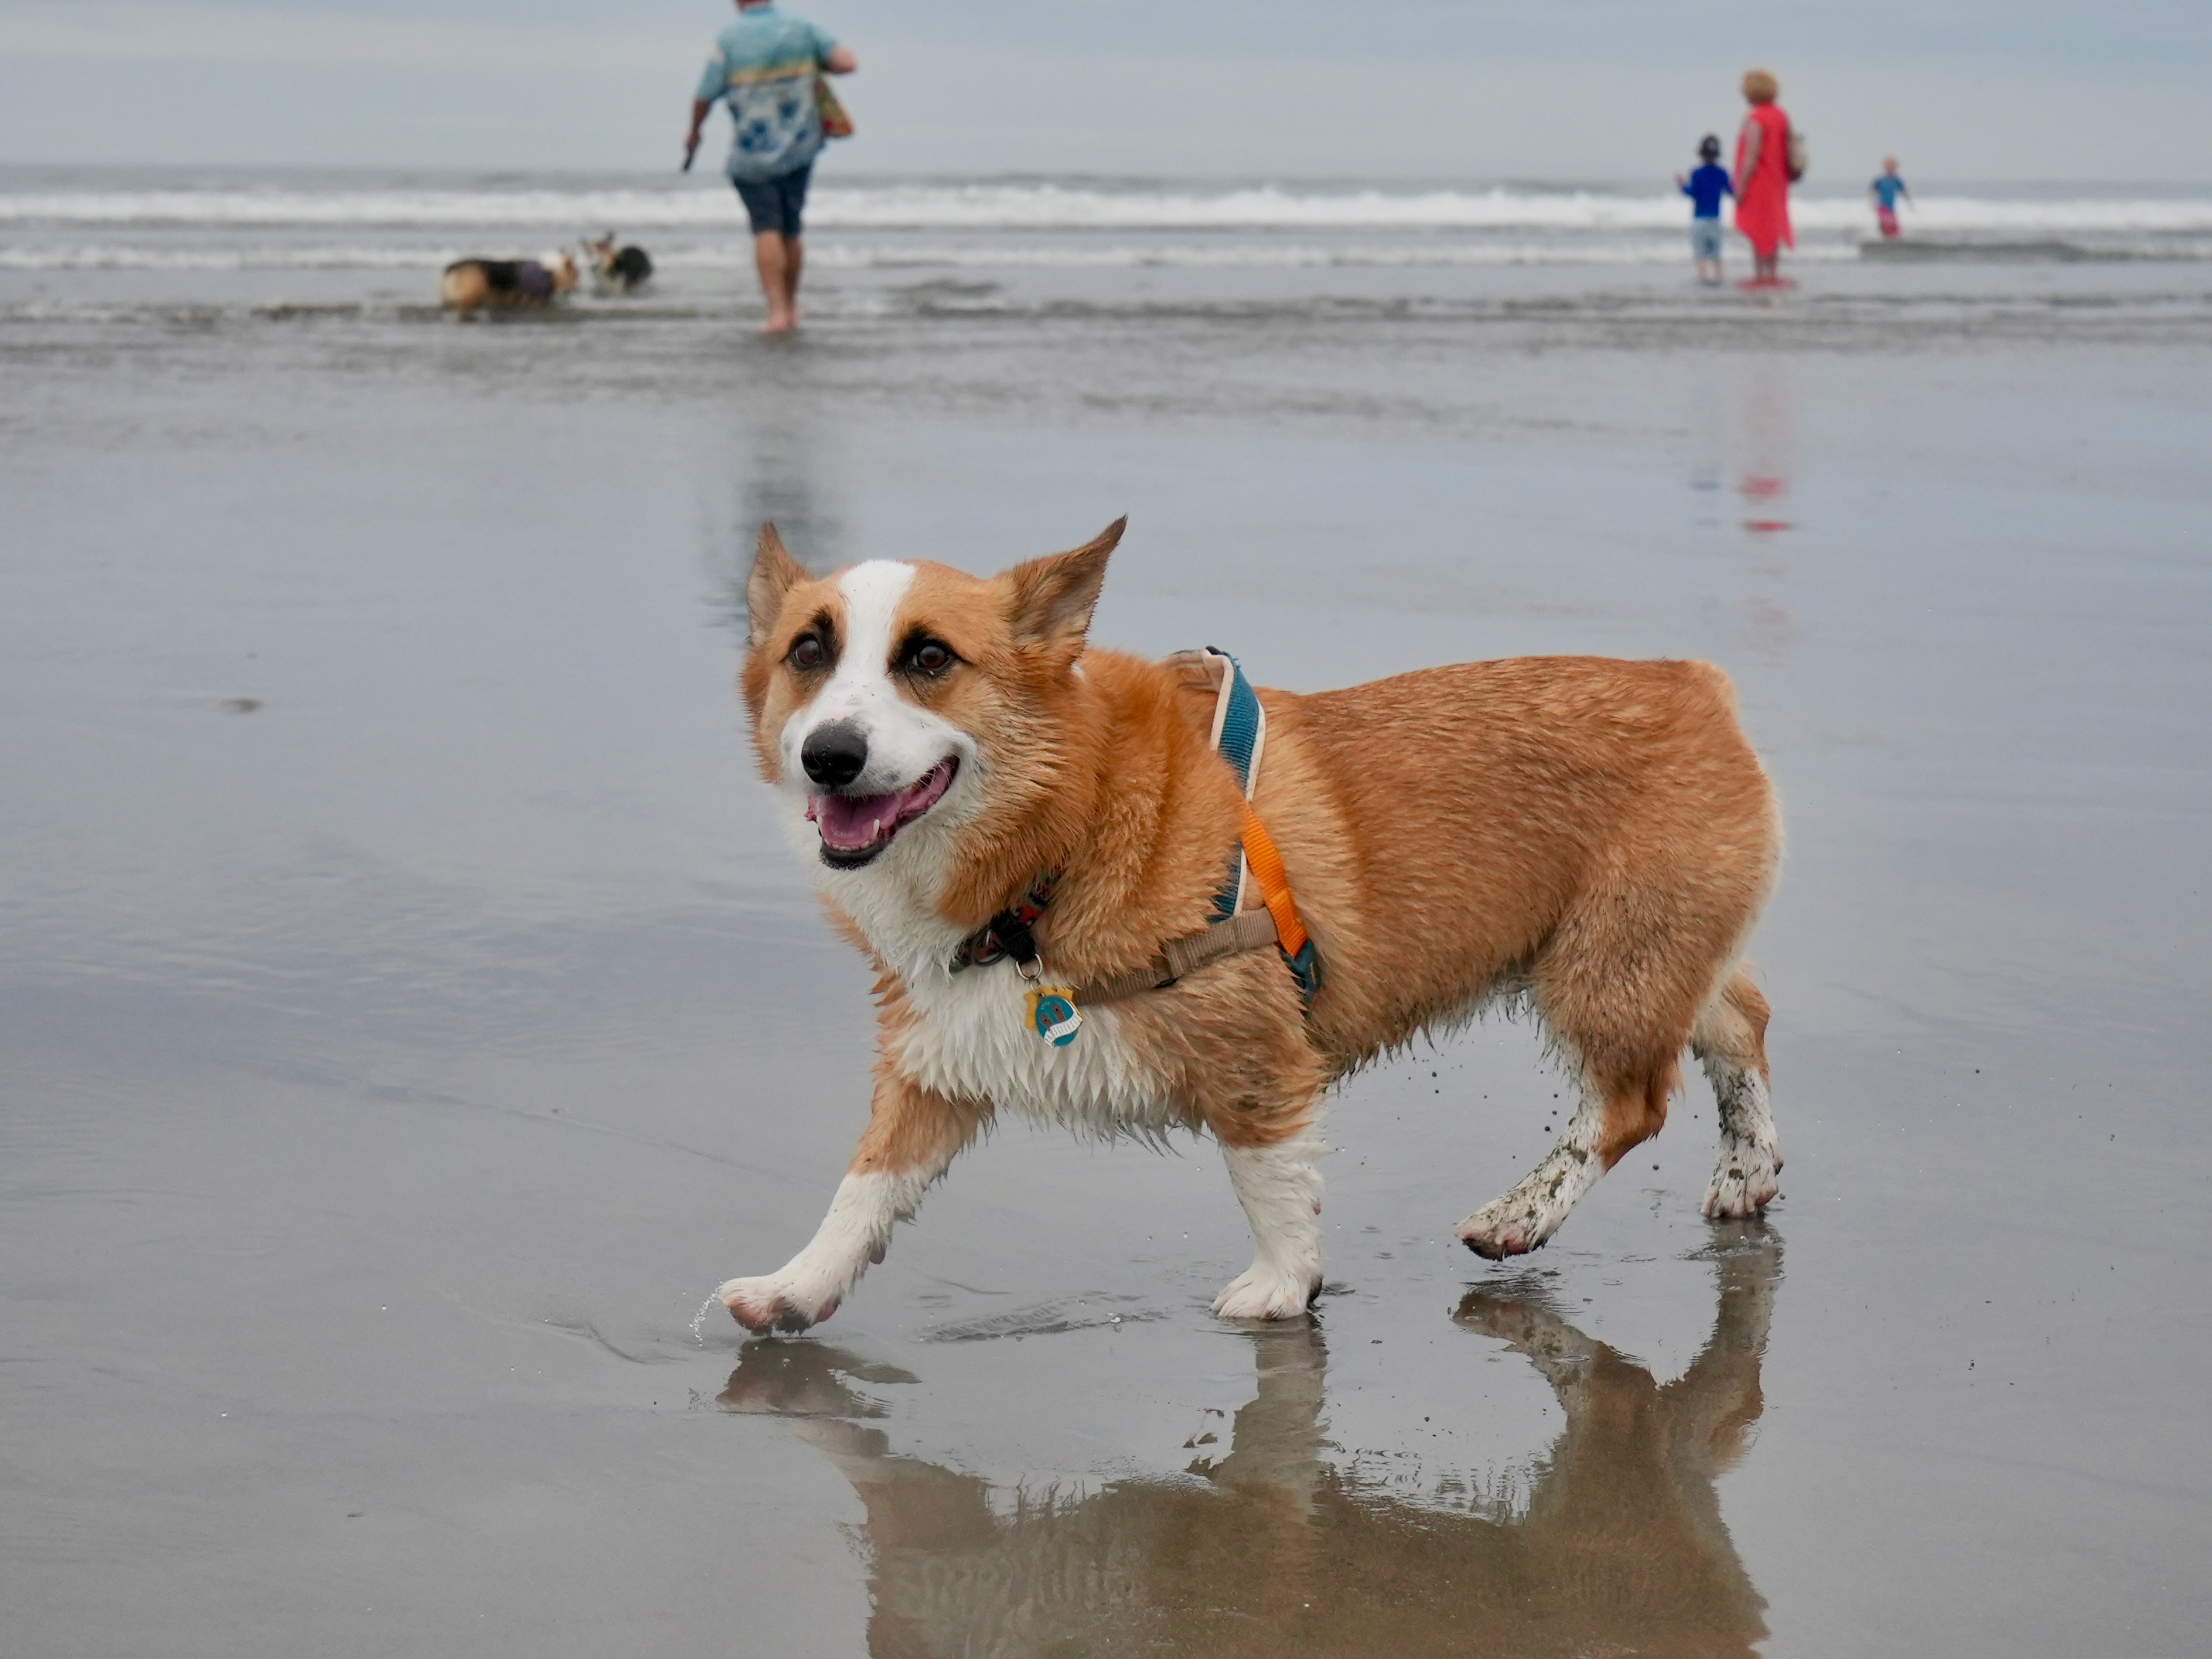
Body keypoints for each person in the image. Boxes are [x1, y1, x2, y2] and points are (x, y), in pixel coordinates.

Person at [683, 1, 856, 333]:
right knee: (791, 228)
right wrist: (809, 63)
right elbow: (847, 63)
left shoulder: (729, 39)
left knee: (766, 228)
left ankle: (776, 311)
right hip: (800, 146)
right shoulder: (802, 27)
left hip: (752, 150)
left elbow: (705, 93)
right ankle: (790, 308)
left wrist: (694, 133)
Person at [1730, 67, 1794, 286]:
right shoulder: (1781, 116)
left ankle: (1760, 275)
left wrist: (1741, 187)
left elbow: (1752, 155)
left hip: (1760, 182)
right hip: (1778, 181)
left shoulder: (1755, 118)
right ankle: (1772, 274)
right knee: (1773, 228)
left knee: (1758, 229)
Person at [1676, 134, 1735, 286]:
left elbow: (1692, 193)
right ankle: (1720, 280)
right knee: (1717, 256)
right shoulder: (1722, 173)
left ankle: (1703, 281)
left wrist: (1681, 184)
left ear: (1701, 154)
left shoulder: (1697, 173)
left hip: (1700, 220)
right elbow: (1732, 192)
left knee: (1701, 256)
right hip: (1715, 220)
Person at [1869, 156, 1911, 240]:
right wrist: (1872, 203)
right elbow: (1872, 191)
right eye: (1888, 166)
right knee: (1886, 225)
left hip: (1891, 208)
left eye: (1893, 167)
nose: (1890, 169)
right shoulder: (1880, 180)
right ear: (1885, 167)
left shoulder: (1896, 180)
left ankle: (1892, 245)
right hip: (1882, 207)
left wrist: (1910, 204)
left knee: (1896, 229)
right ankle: (1885, 243)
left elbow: (1904, 192)